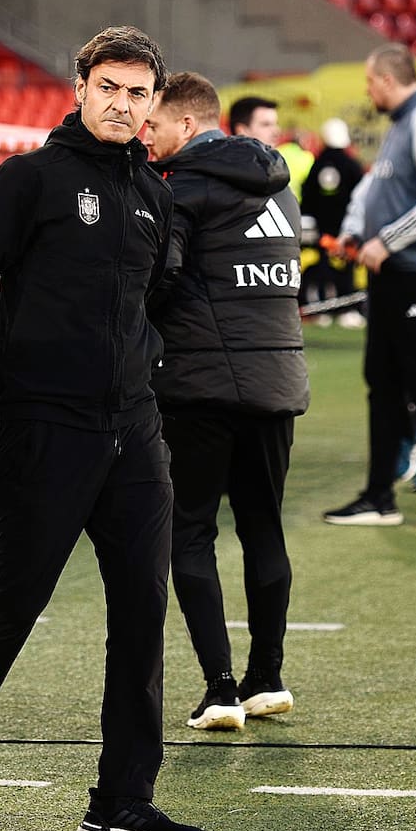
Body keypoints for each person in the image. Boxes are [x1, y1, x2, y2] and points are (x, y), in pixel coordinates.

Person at [0, 25, 205, 831]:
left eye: (137, 93)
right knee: (18, 597)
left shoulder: (154, 195)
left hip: (135, 430)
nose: (122, 103)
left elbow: (153, 302)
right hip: (48, 427)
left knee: (143, 608)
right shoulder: (29, 178)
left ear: (154, 104)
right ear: (80, 89)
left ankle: (121, 800)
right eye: (109, 87)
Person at [141, 71, 305, 731]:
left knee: (191, 532)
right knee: (264, 527)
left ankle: (220, 689)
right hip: (276, 384)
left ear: (186, 124)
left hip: (201, 386)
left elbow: (161, 278)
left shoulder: (182, 187)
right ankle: (269, 678)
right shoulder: (280, 186)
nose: (146, 135)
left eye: (154, 123)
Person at [323, 43, 416, 530]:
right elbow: (376, 190)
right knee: (382, 383)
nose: (368, 92)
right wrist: (355, 232)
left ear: (387, 80)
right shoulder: (403, 125)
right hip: (393, 275)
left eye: (370, 83)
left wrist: (385, 240)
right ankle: (379, 495)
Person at [300, 117, 364, 328]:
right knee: (346, 268)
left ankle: (322, 309)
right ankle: (347, 309)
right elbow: (361, 197)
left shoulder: (317, 165)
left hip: (322, 230)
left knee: (323, 267)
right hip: (346, 229)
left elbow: (307, 197)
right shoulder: (351, 165)